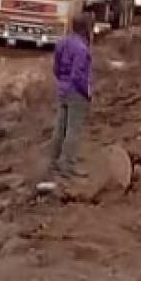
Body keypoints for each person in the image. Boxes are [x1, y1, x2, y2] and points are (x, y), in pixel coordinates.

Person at [49, 15, 93, 178]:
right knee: (73, 129)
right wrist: (86, 93)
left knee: (60, 127)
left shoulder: (63, 42)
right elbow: (78, 75)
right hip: (76, 92)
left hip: (62, 90)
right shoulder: (82, 49)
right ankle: (68, 164)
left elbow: (56, 67)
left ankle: (54, 161)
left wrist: (62, 83)